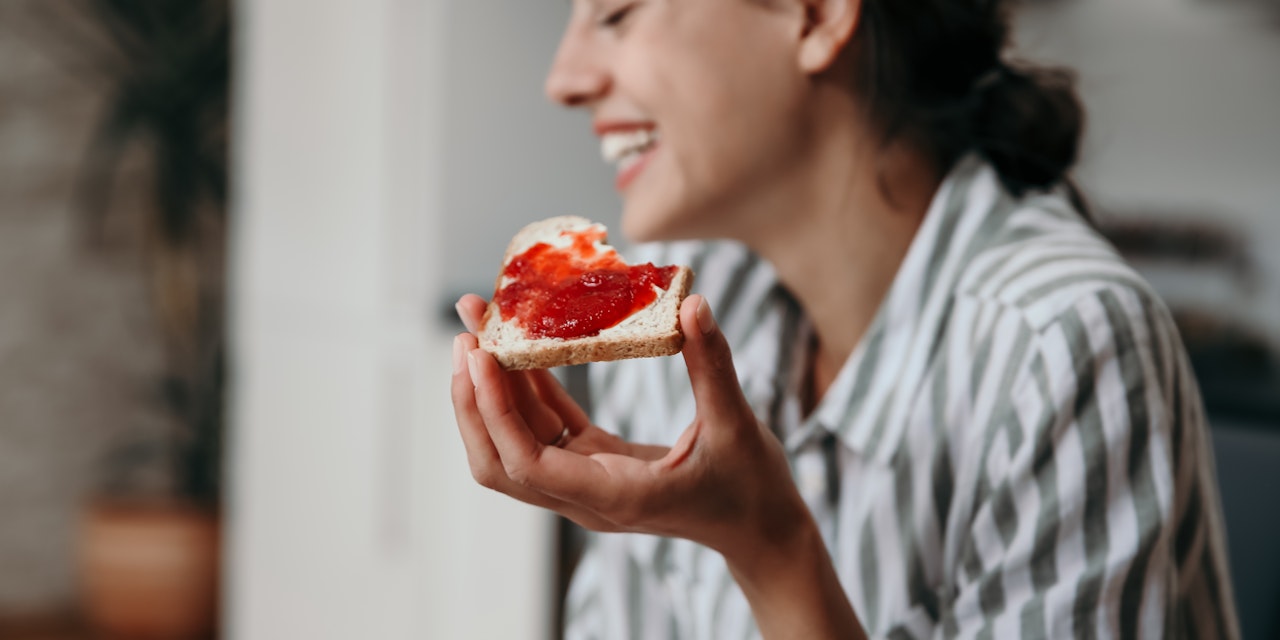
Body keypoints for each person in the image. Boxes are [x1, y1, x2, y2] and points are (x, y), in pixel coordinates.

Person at [450, 0, 1240, 637]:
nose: (563, 78)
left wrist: (771, 548)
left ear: (819, 15)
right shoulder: (677, 321)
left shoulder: (1059, 343)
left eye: (616, 13)